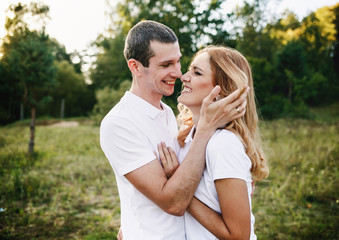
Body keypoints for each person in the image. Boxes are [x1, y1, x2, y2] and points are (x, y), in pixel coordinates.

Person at [99, 20, 248, 240]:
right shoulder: (119, 123)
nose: (178, 73)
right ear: (135, 67)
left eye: (178, 62)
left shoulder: (168, 114)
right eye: (166, 64)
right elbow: (173, 202)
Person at [159, 45, 269, 239]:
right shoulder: (187, 137)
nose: (183, 77)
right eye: (189, 70)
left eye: (197, 72)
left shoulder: (223, 144)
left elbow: (239, 236)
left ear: (221, 91)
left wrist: (177, 185)